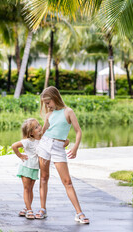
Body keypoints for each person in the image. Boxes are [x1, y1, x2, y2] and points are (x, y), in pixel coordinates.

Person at [35, 86, 90, 224]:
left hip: (58, 149)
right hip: (45, 146)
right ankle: (42, 209)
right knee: (44, 178)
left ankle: (79, 213)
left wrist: (75, 147)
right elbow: (42, 133)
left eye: (48, 103)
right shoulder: (49, 115)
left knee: (67, 181)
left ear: (55, 98)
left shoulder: (68, 112)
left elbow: (78, 131)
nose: (47, 106)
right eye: (46, 104)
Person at [11, 118, 42, 219]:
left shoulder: (41, 139)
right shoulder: (28, 141)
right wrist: (20, 156)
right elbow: (14, 146)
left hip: (34, 168)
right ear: (31, 133)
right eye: (36, 127)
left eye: (39, 125)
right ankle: (29, 210)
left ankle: (27, 207)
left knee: (31, 189)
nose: (39, 127)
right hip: (26, 167)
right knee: (26, 189)